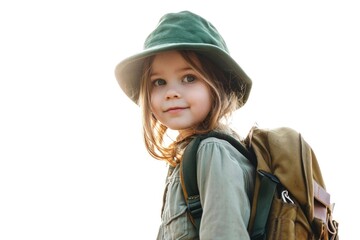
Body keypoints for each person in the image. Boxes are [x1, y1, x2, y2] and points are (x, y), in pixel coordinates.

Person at [115, 11, 255, 239]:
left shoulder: (212, 151)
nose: (171, 93)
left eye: (189, 78)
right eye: (159, 82)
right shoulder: (188, 160)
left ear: (218, 86)